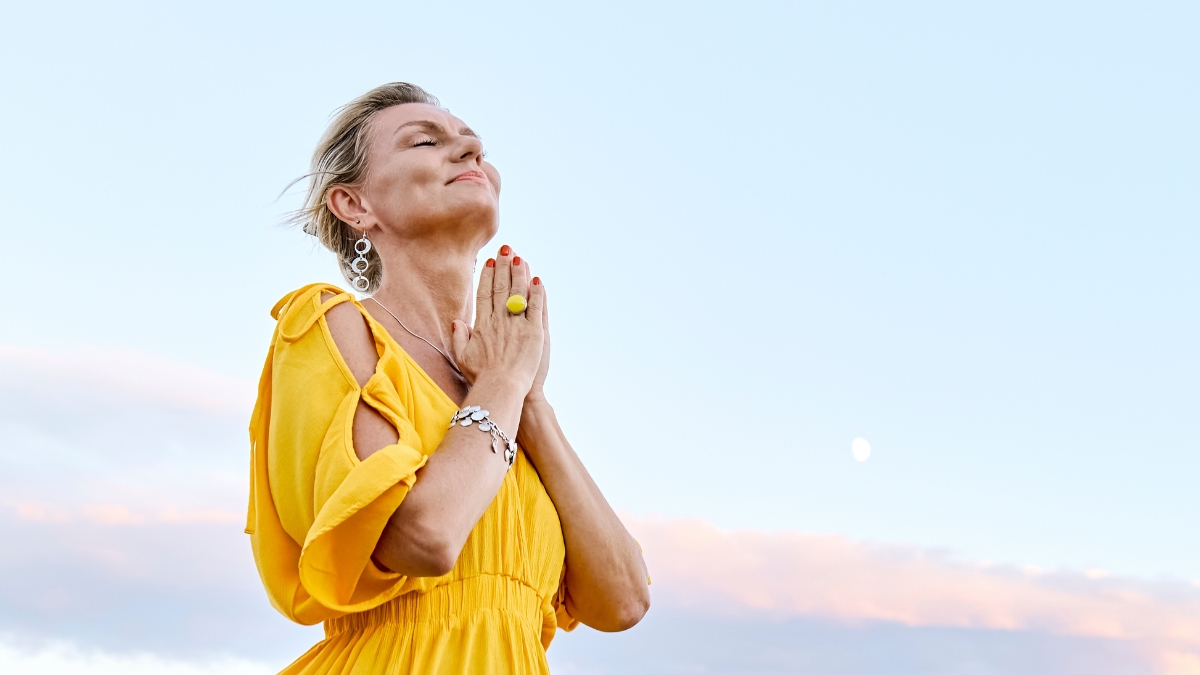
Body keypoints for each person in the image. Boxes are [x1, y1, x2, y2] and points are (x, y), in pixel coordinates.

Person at [245, 82, 650, 674]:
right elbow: (425, 537)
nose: (469, 150)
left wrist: (531, 402)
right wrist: (503, 383)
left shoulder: (507, 388)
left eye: (474, 144)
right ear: (354, 205)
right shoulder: (330, 324)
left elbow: (623, 601)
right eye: (425, 141)